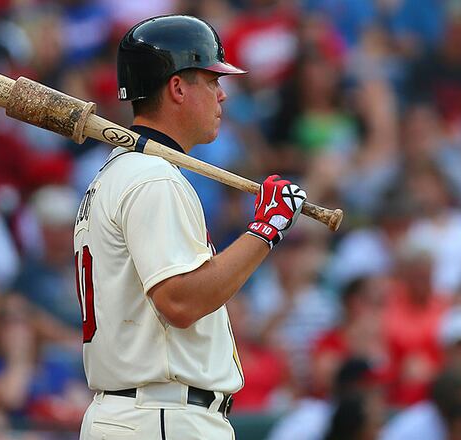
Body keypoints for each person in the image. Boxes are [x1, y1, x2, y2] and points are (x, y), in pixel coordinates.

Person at [75, 15, 307, 440]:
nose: (222, 95)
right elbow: (179, 301)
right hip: (162, 414)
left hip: (138, 411)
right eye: (211, 80)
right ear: (177, 87)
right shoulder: (154, 179)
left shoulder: (115, 175)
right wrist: (266, 229)